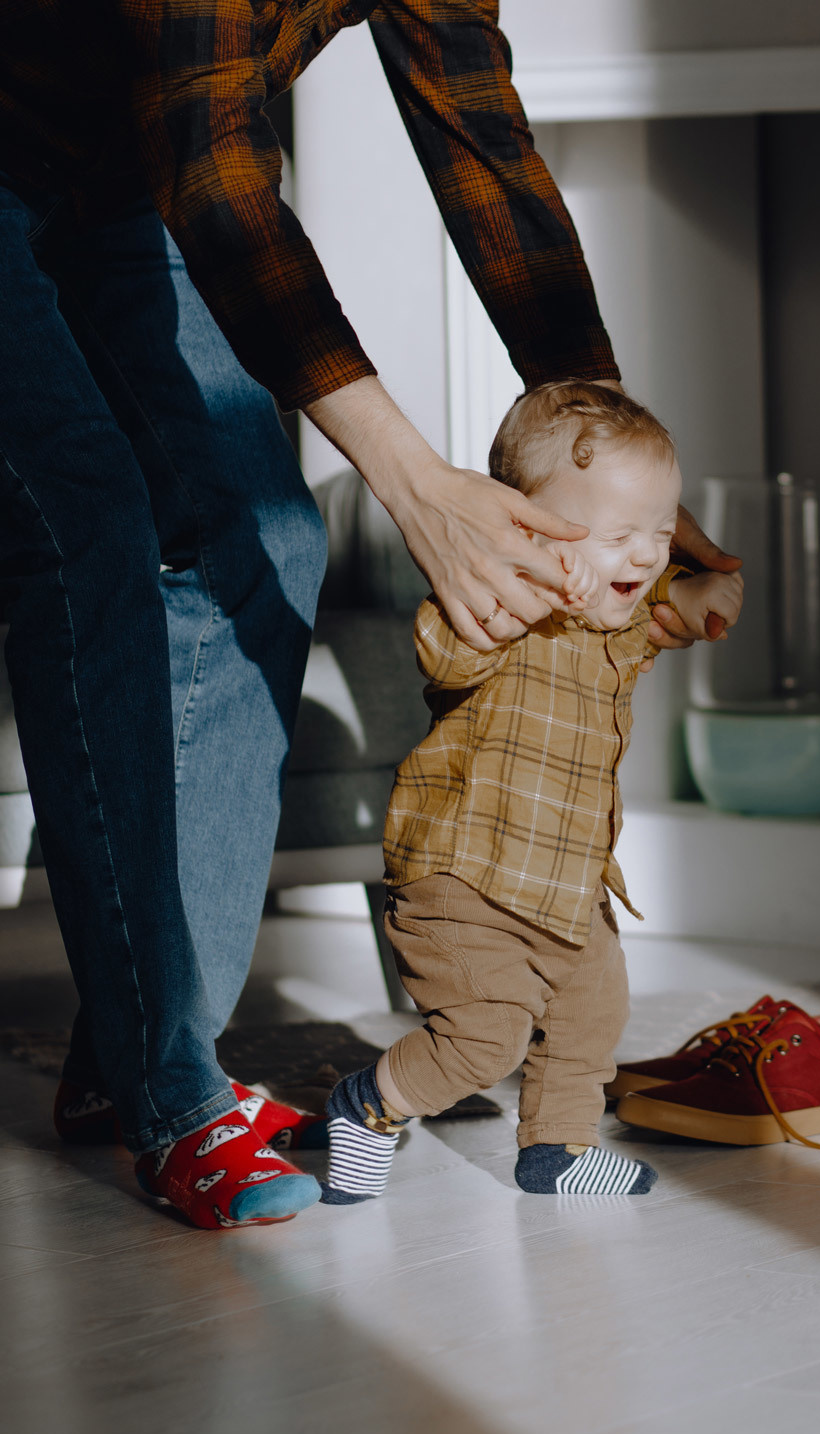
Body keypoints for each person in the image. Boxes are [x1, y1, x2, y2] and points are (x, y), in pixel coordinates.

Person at [0, 2, 738, 1230]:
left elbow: (484, 146)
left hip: (123, 181)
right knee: (93, 527)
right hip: (97, 154)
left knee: (270, 537)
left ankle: (133, 1045)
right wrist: (416, 486)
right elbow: (214, 165)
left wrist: (623, 491)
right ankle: (172, 1092)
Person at [318, 381, 744, 1202]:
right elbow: (444, 653)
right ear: (524, 528)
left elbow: (659, 606)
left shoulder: (614, 617)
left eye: (659, 532)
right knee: (485, 1038)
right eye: (618, 536)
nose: (644, 555)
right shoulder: (491, 597)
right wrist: (525, 602)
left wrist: (697, 593)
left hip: (566, 881)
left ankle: (558, 1147)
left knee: (594, 1014)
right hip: (467, 874)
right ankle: (368, 1105)